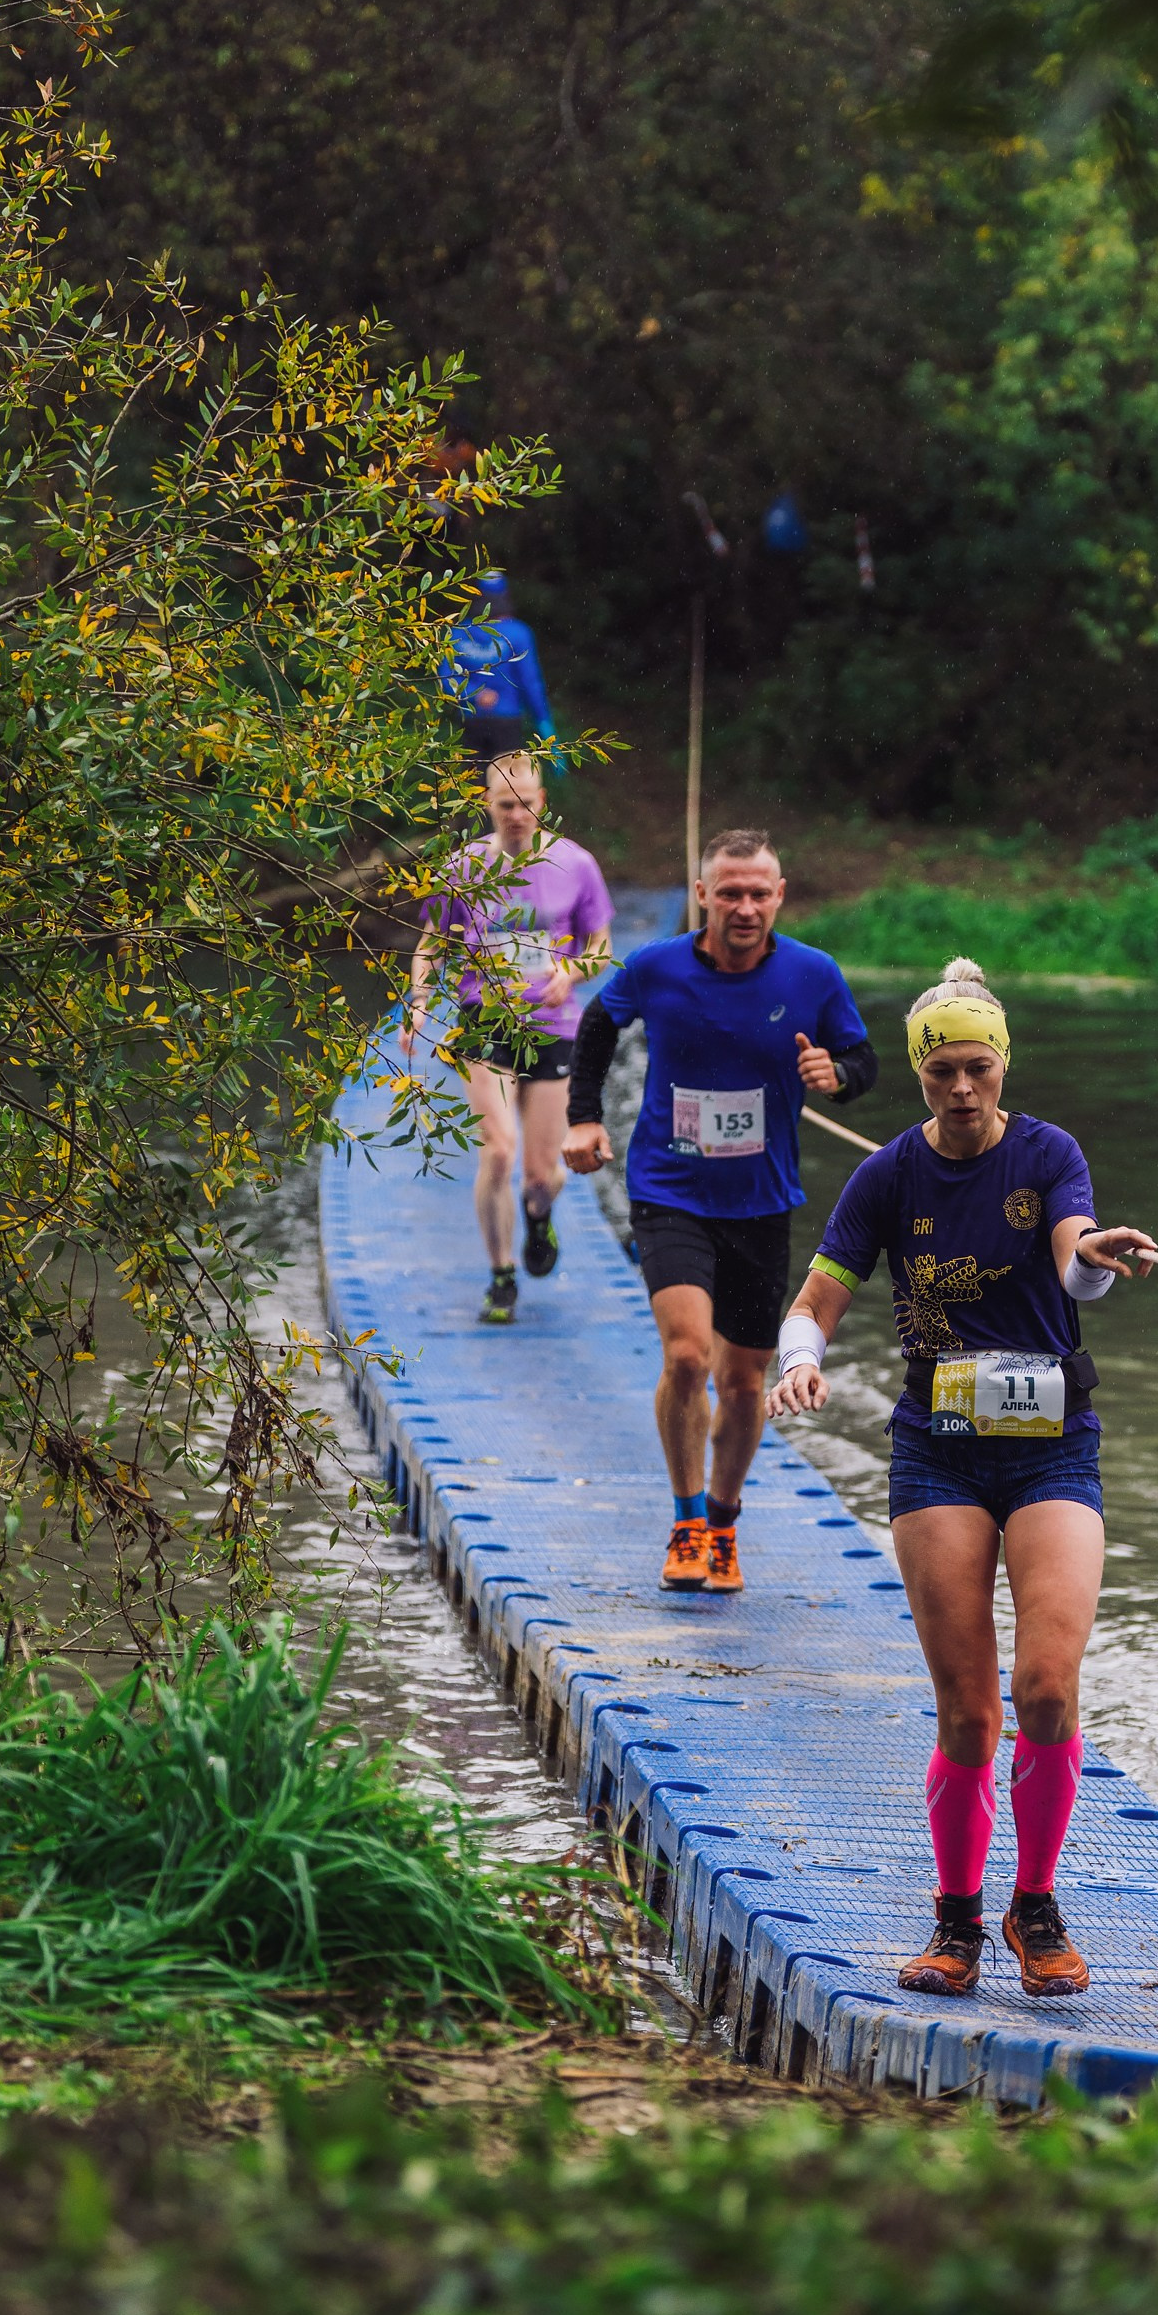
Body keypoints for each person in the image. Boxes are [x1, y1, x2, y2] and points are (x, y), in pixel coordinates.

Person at [766, 957, 1155, 2000]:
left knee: (1045, 1691)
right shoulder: (888, 1174)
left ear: (1001, 1066)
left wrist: (1096, 1260)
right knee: (968, 1716)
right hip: (936, 1452)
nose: (961, 1089)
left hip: (1051, 1450)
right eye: (941, 1072)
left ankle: (1034, 1907)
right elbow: (819, 1293)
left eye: (977, 1068)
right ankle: (954, 1923)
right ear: (921, 1076)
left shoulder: (1047, 1153)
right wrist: (798, 1358)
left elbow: (1074, 1255)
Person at [564, 829, 875, 1596]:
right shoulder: (655, 966)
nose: (744, 907)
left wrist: (834, 1074)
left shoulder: (813, 973)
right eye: (728, 892)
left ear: (779, 896)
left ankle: (726, 1525)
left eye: (758, 893)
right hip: (669, 1189)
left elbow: (862, 1061)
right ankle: (686, 1519)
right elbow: (598, 1024)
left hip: (762, 1202)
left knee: (743, 1382)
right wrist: (584, 1116)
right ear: (701, 894)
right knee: (687, 1358)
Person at [405, 752, 611, 1324]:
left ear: (541, 804)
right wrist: (419, 1001)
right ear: (487, 807)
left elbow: (599, 945)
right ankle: (501, 1274)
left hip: (552, 1026)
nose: (516, 815)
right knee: (498, 1150)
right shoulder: (465, 866)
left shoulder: (576, 864)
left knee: (543, 1173)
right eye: (504, 805)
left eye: (526, 804)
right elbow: (430, 944)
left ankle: (538, 1215)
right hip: (484, 1022)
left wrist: (568, 973)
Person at [439, 569, 555, 766]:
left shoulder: (458, 633)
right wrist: (543, 720)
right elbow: (530, 681)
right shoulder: (518, 632)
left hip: (472, 720)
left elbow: (445, 677)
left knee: (476, 786)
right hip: (507, 720)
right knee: (506, 785)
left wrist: (474, 695)